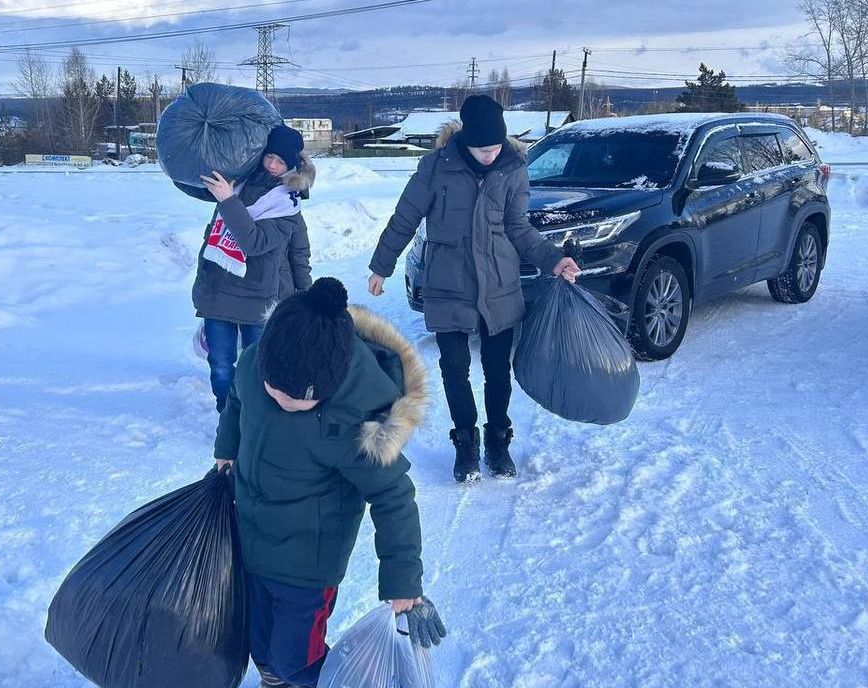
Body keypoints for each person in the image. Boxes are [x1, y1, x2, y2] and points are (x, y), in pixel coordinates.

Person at [213, 277, 447, 688]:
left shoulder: (356, 423)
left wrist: (403, 582)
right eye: (275, 389)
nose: (282, 401)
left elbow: (394, 497)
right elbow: (236, 400)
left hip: (308, 565)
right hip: (250, 537)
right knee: (260, 645)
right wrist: (226, 448)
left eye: (299, 398)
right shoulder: (255, 366)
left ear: (331, 384)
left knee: (296, 659)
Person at [366, 95, 581, 483]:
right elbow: (406, 218)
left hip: (499, 285)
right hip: (448, 283)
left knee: (498, 371)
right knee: (454, 370)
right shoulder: (435, 168)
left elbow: (519, 227)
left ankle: (498, 442)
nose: (490, 154)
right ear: (466, 140)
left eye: (496, 147)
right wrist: (382, 265)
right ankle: (465, 443)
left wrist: (553, 259)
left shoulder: (514, 169)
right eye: (484, 149)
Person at [193, 124, 315, 412]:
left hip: (258, 298)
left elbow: (257, 243)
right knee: (220, 365)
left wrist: (305, 298)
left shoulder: (286, 204)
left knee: (259, 369)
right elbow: (215, 235)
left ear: (292, 165)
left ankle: (254, 420)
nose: (272, 165)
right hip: (219, 291)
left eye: (281, 161)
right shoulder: (240, 182)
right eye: (269, 156)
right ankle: (228, 418)